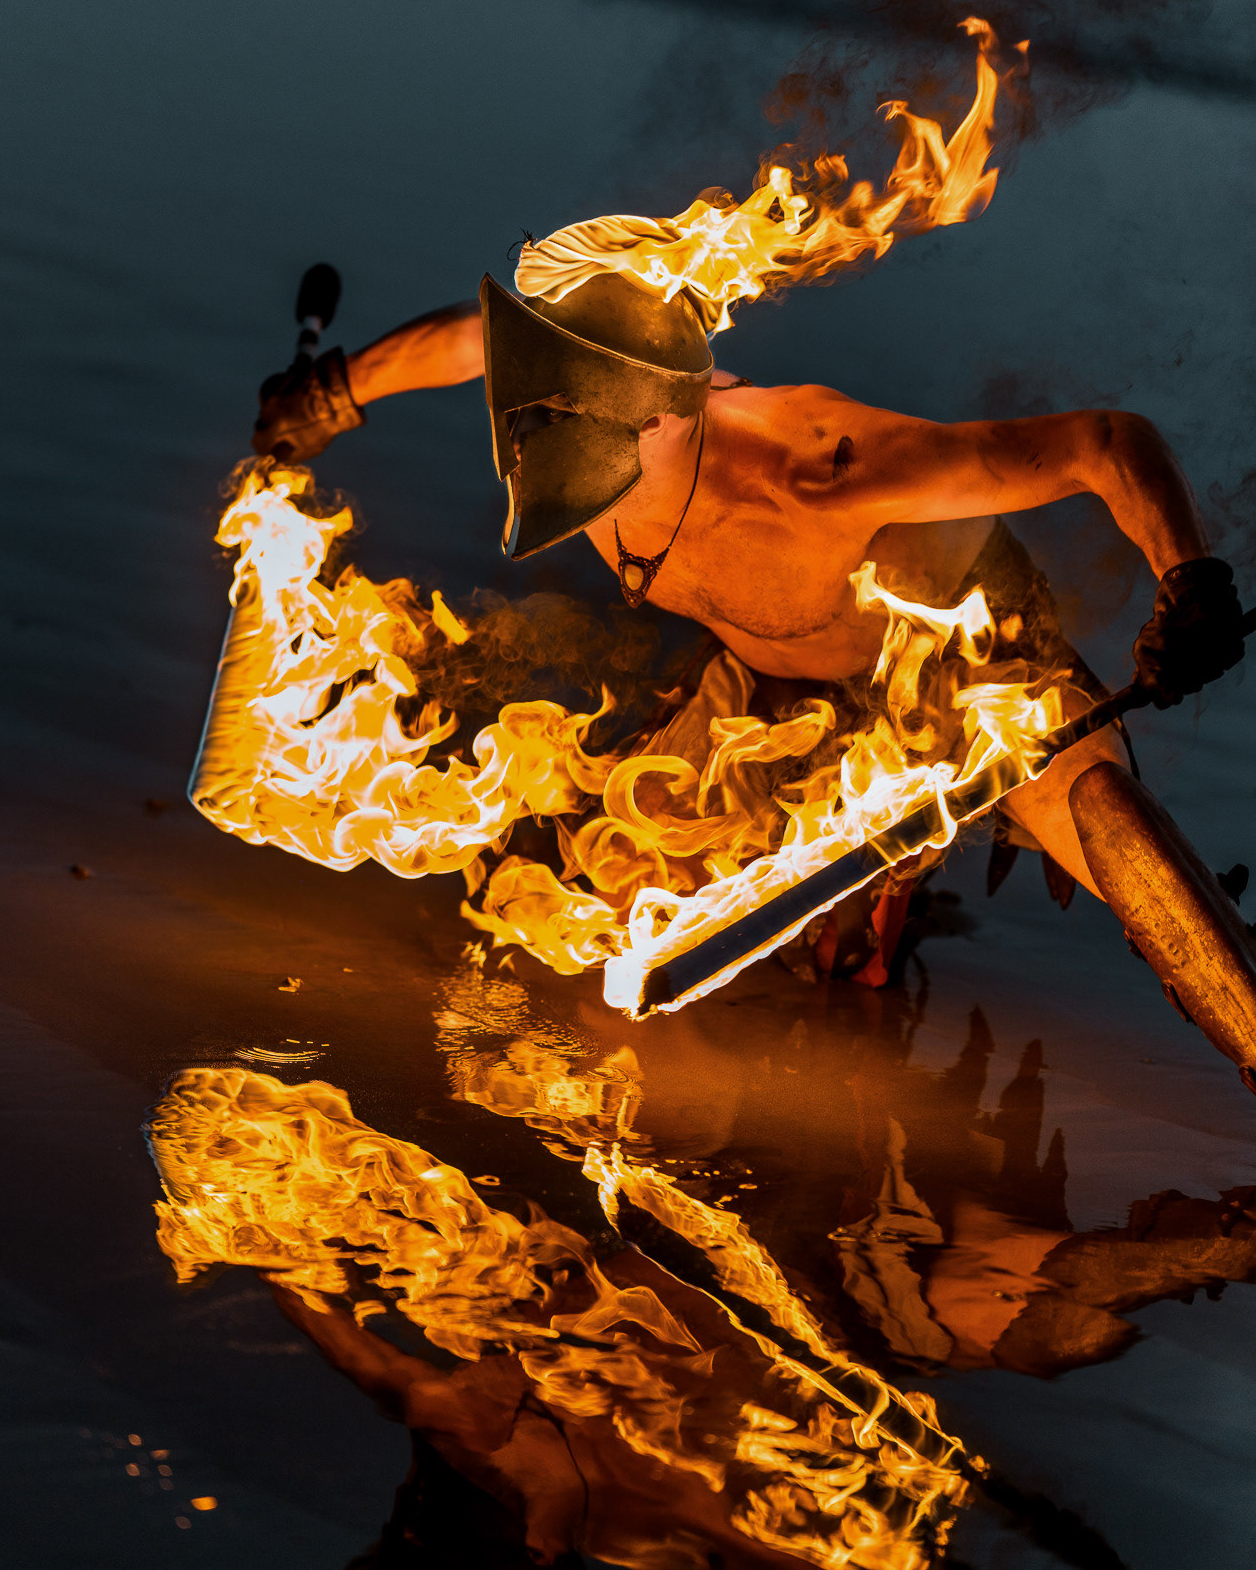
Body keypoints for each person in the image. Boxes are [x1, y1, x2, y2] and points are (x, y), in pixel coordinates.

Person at [249, 252, 1255, 1070]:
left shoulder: (818, 467)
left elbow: (1101, 442)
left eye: (574, 432)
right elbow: (471, 338)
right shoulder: (551, 394)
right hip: (770, 685)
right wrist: (331, 393)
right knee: (611, 909)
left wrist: (1190, 579)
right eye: (533, 418)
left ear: (662, 416)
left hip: (967, 666)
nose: (538, 439)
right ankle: (860, 914)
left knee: (1120, 847)